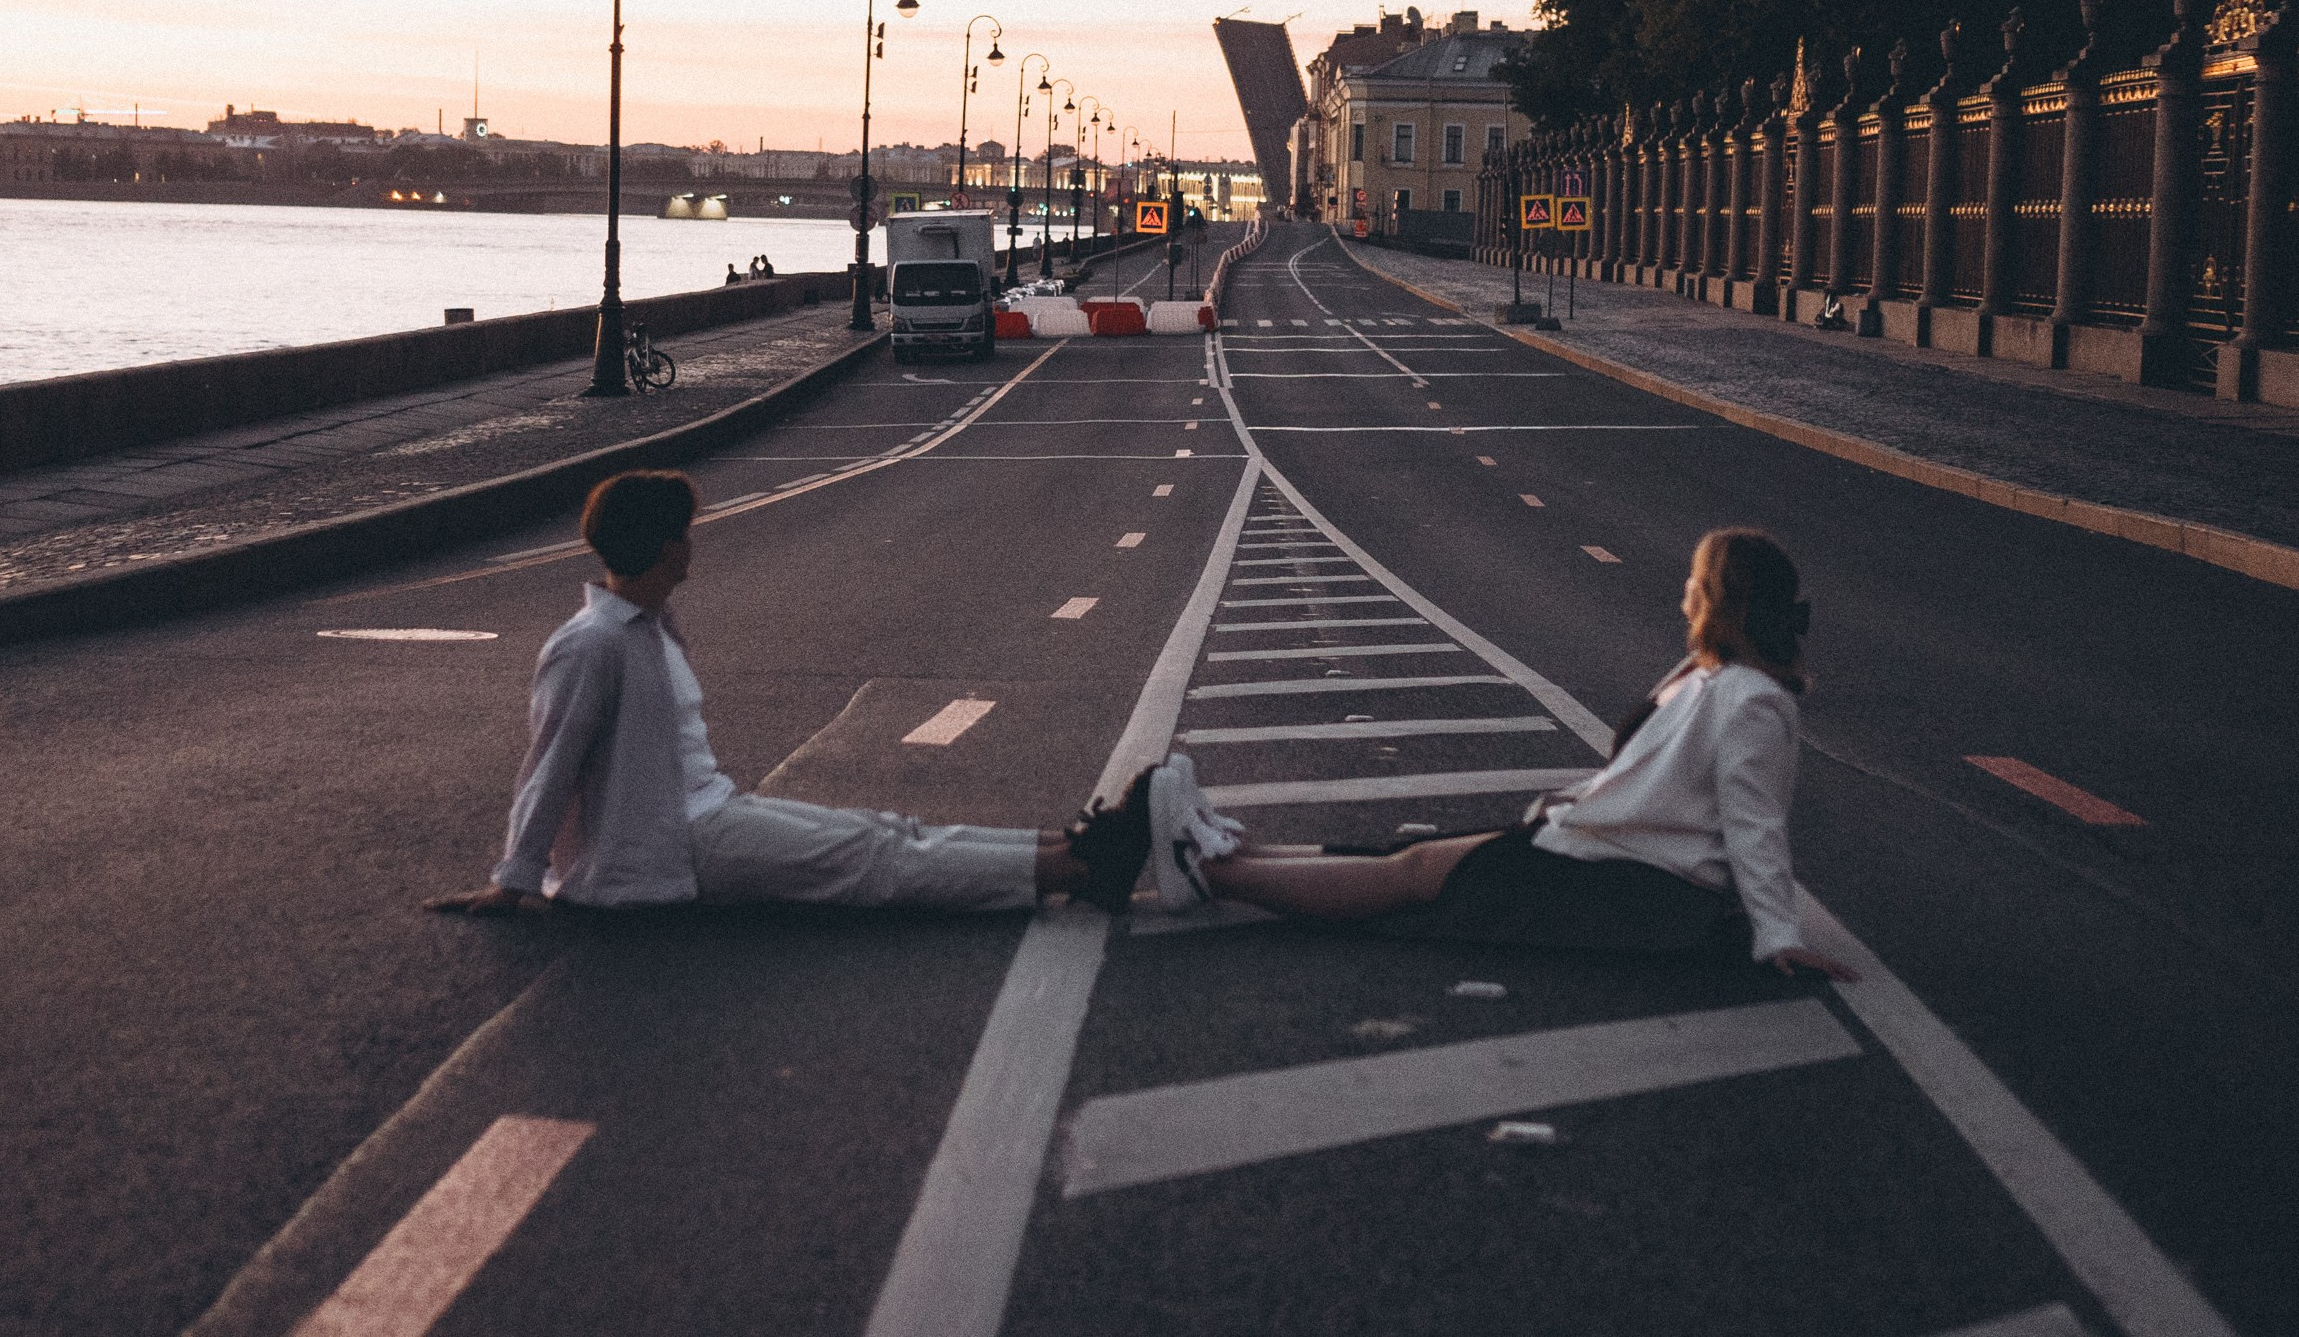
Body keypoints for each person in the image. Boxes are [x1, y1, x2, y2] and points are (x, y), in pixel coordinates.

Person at [1141, 528, 1859, 980]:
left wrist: (1777, 935)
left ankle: (1208, 869)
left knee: (1415, 874)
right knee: (1403, 857)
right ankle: (1215, 852)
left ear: (1715, 598)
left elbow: (1753, 822)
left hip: (1631, 887)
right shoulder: (1711, 678)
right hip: (1592, 852)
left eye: (1694, 580)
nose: (1682, 590)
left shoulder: (1754, 701)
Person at [425, 472, 1148, 920]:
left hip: (707, 815)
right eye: (684, 533)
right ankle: (1074, 870)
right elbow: (549, 765)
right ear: (664, 547)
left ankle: (1064, 848)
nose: (691, 545)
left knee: (882, 832)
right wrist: (514, 879)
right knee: (872, 858)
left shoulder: (648, 629)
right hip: (675, 846)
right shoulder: (593, 644)